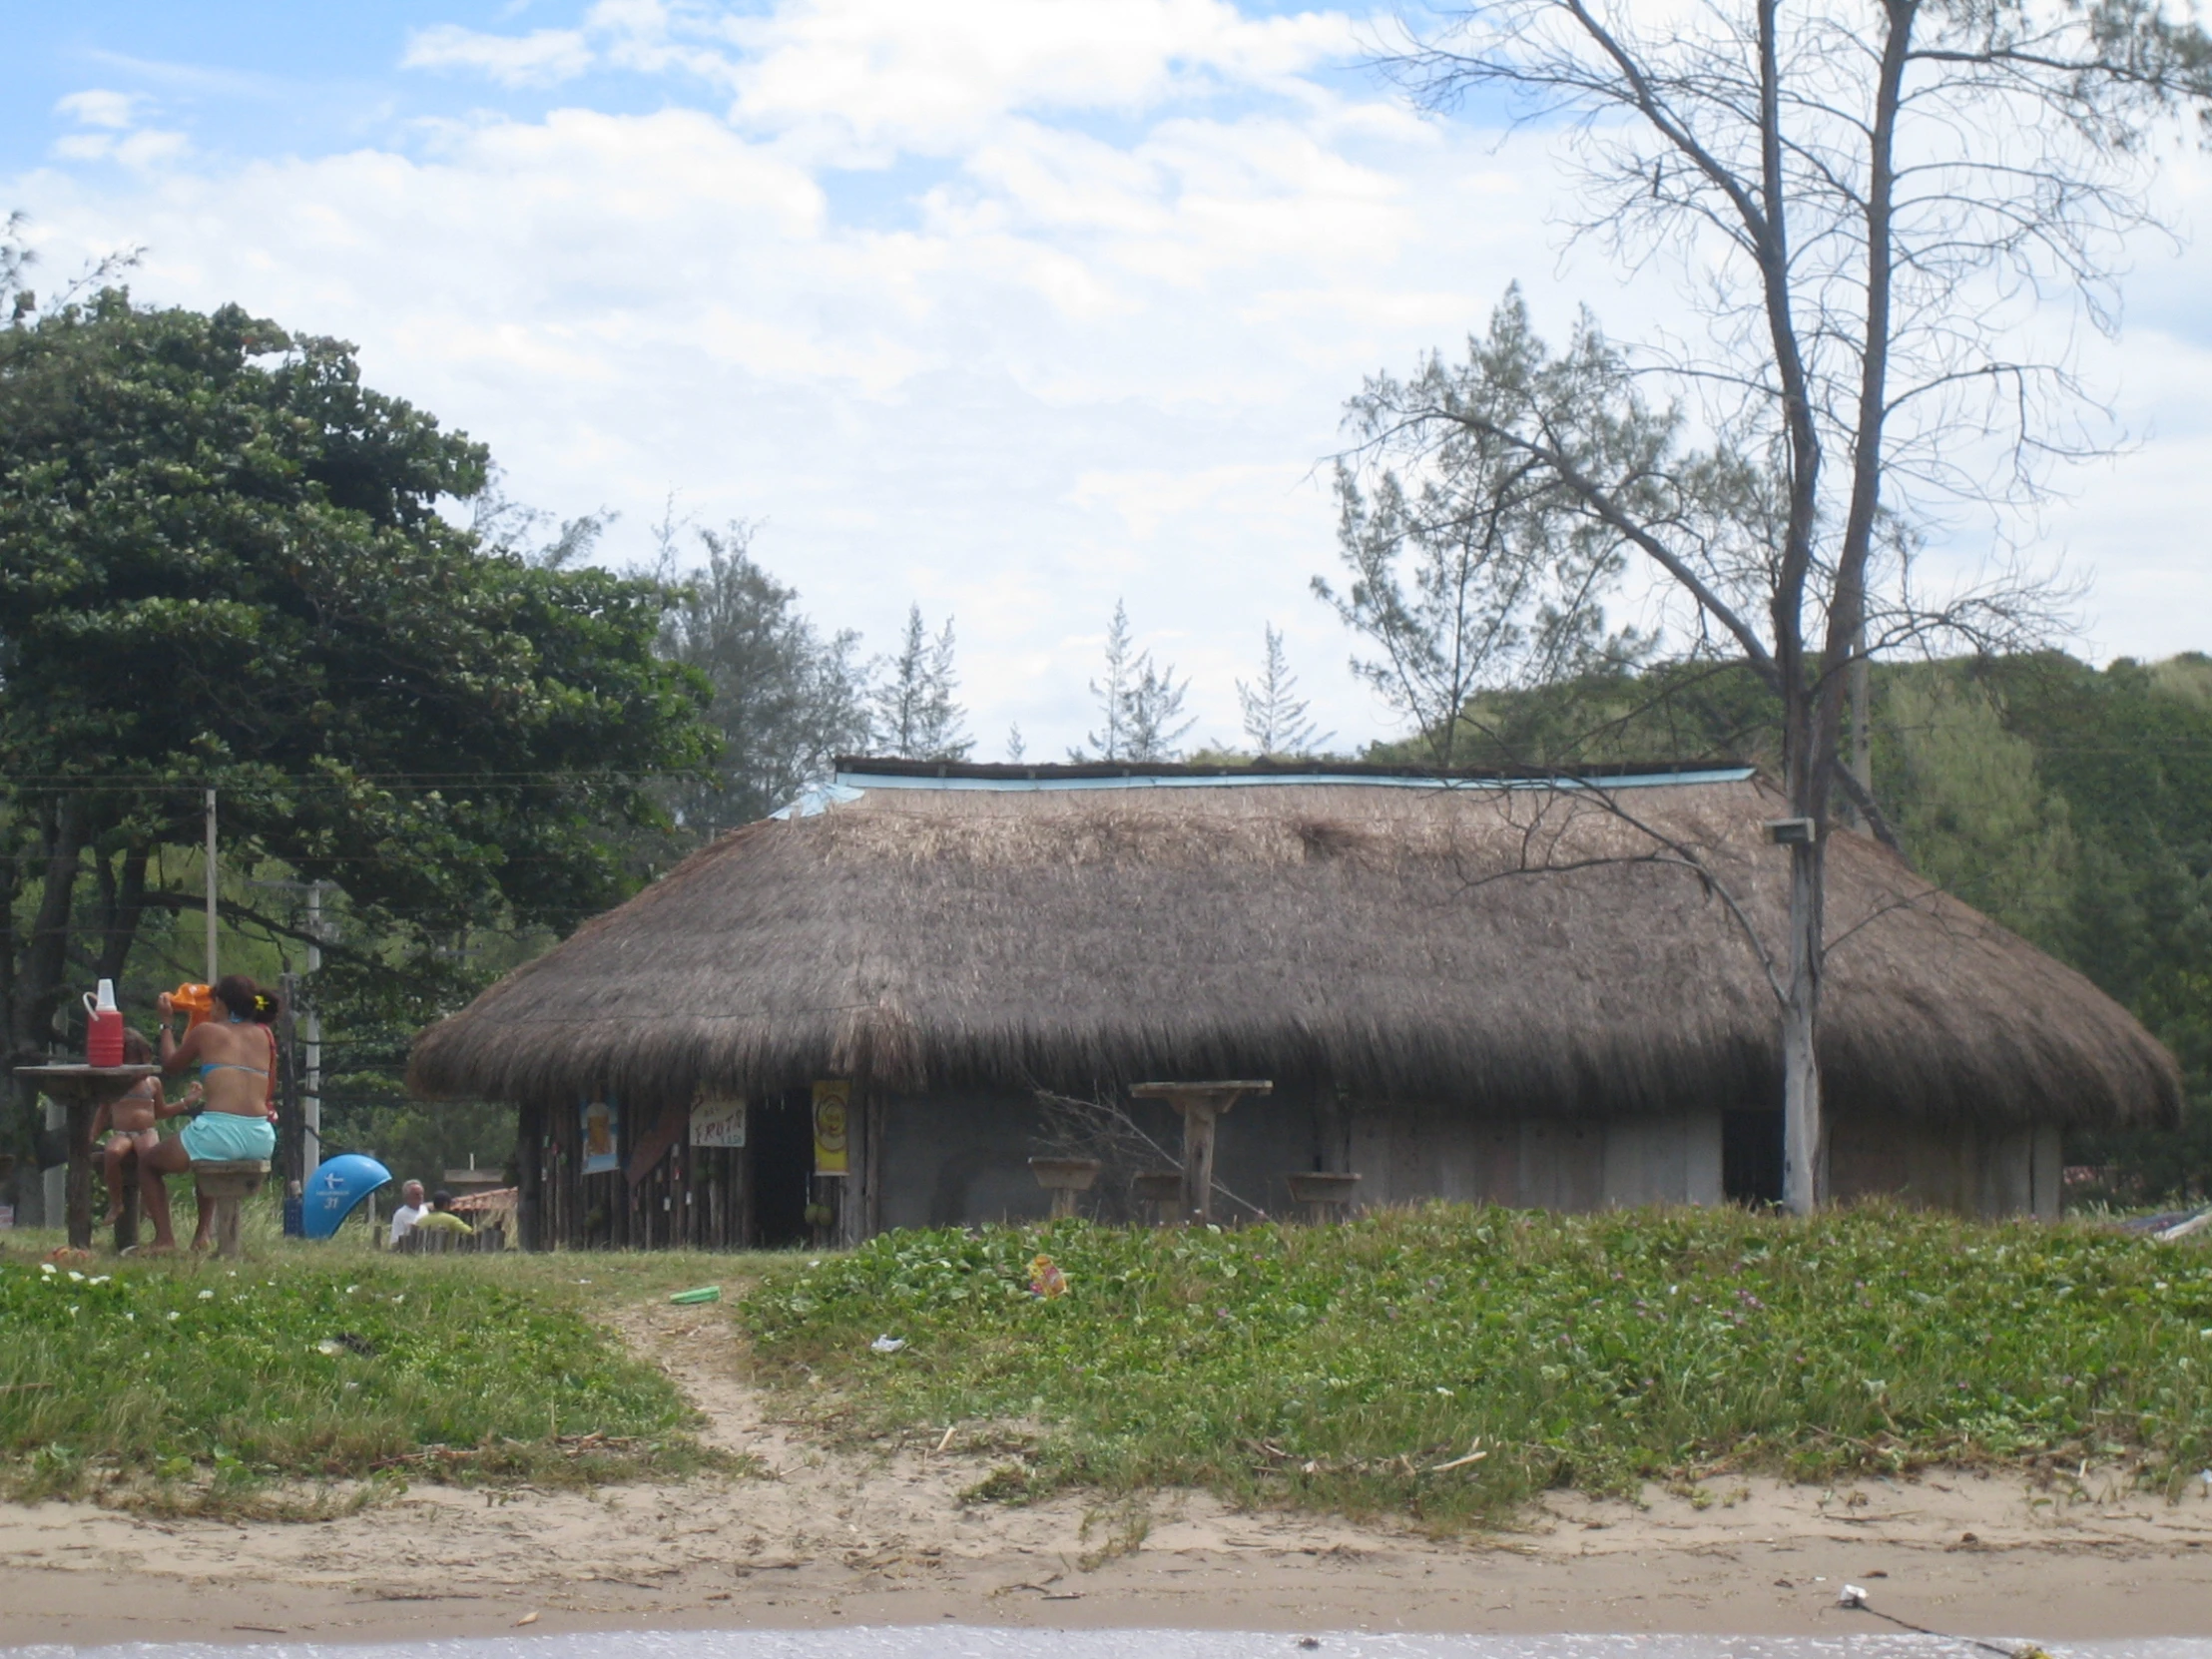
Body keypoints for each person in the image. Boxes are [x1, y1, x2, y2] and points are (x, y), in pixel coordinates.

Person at [139, 974, 282, 1252]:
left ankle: (164, 1239)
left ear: (220, 1003)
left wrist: (166, 1023)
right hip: (260, 1136)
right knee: (205, 1148)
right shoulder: (265, 1034)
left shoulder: (207, 1032)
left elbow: (170, 1065)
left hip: (219, 1132)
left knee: (148, 1163)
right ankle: (201, 1236)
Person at [88, 1031, 201, 1233]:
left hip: (146, 1131)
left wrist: (186, 1102)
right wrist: (92, 1134)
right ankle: (116, 1202)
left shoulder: (152, 1083)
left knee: (148, 1157)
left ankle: (149, 1203)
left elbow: (162, 1111)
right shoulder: (114, 1083)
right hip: (122, 1133)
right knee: (112, 1153)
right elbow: (103, 1111)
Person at [409, 1190, 475, 1237]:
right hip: (446, 1255)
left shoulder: (420, 1220)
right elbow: (470, 1232)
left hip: (422, 1255)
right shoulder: (451, 1219)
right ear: (446, 1204)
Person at [387, 1180, 428, 1247]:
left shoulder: (424, 1210)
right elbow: (394, 1241)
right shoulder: (400, 1214)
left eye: (422, 1194)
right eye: (416, 1194)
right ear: (407, 1196)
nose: (420, 1197)